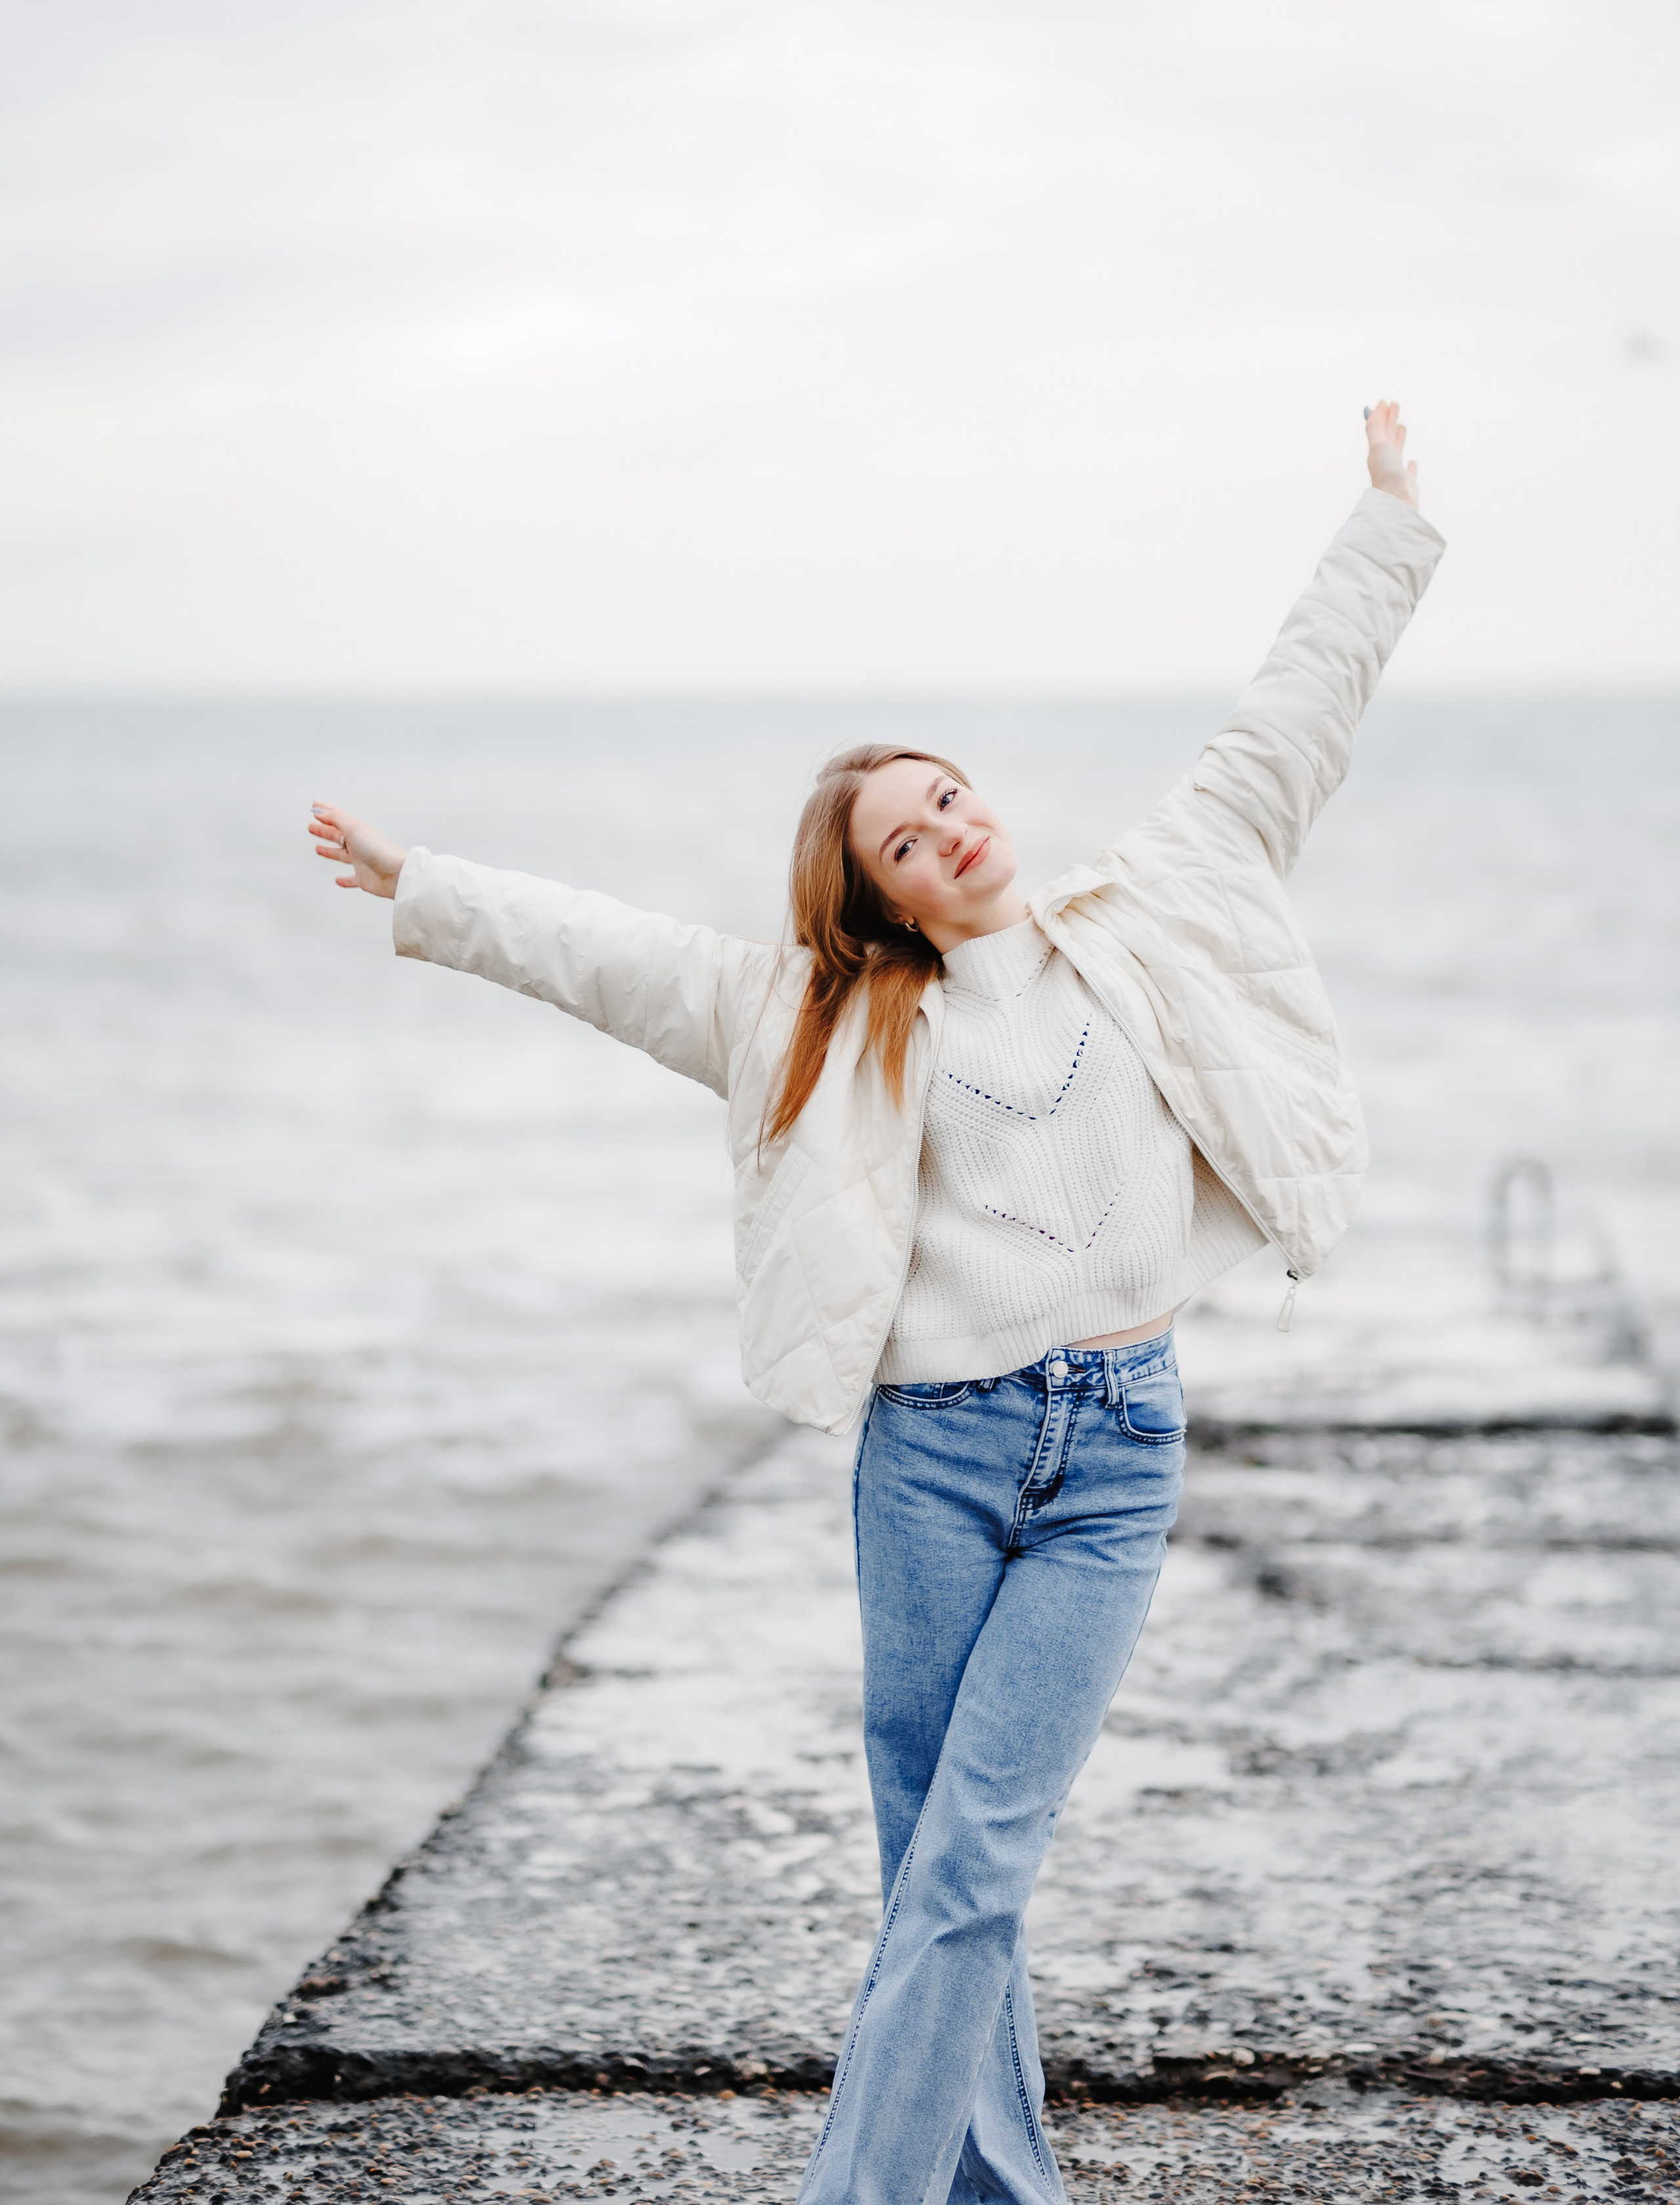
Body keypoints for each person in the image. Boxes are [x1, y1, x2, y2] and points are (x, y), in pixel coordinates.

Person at [309, 404, 1440, 2205]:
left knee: (977, 1851)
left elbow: (1295, 713)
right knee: (939, 1857)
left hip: (1117, 1451)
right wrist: (422, 886)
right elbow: (608, 956)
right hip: (934, 1460)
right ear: (880, 896)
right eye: (911, 836)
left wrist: (1384, 526)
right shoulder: (813, 1018)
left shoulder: (1152, 906)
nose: (953, 828)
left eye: (952, 793)